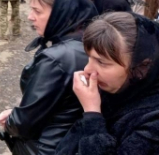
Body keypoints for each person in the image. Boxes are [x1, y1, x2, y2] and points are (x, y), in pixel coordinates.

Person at [0, 0, 98, 155]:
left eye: (37, 11)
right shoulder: (88, 44)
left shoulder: (56, 58)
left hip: (44, 147)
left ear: (61, 14)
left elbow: (24, 122)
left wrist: (11, 121)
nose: (30, 17)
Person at [55, 12, 159, 155]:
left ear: (142, 67)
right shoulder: (115, 90)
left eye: (102, 62)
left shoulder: (153, 121)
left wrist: (92, 113)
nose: (87, 69)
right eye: (89, 57)